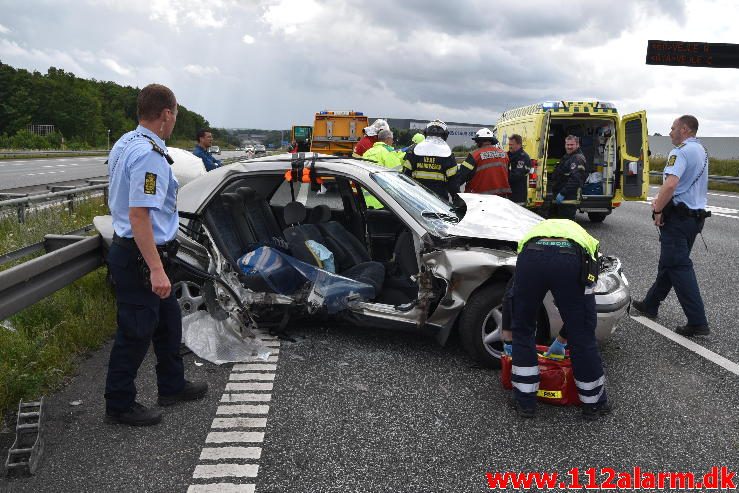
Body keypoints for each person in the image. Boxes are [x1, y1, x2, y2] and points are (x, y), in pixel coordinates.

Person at [105, 84, 207, 426]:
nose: (175, 121)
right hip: (141, 256)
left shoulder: (125, 142)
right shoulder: (150, 154)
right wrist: (156, 269)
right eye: (175, 115)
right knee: (135, 331)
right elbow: (139, 216)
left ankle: (172, 386)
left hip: (141, 252)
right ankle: (119, 405)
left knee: (167, 323)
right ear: (166, 114)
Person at [510, 218, 609, 420]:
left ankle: (525, 402)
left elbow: (512, 293)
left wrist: (508, 328)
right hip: (571, 258)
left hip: (531, 256)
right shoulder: (589, 243)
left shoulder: (532, 233)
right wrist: (565, 337)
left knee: (523, 329)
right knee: (582, 334)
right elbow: (584, 314)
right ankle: (594, 405)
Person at [632, 115, 710, 336]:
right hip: (695, 219)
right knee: (670, 262)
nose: (669, 132)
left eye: (673, 128)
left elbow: (671, 184)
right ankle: (650, 303)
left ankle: (697, 321)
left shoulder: (680, 152)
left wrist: (657, 208)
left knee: (679, 266)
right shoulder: (702, 151)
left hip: (678, 218)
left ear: (684, 130)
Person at [402, 120, 459, 201]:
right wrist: (457, 200)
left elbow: (405, 175)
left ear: (426, 133)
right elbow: (453, 182)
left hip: (416, 199)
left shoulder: (414, 151)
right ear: (445, 135)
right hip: (439, 201)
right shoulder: (448, 154)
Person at [457, 128, 511, 197]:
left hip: (479, 198)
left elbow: (461, 176)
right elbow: (507, 174)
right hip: (501, 197)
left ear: (479, 141)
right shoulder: (505, 155)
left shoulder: (474, 155)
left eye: (476, 141)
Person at [550, 135, 587, 219]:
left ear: (577, 145)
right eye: (567, 144)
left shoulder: (577, 158)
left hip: (568, 198)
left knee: (566, 224)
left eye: (572, 145)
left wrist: (563, 193)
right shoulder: (568, 156)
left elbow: (576, 179)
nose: (569, 147)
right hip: (562, 196)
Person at [507, 134, 531, 205]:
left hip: (518, 196)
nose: (510, 146)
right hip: (508, 194)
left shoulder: (523, 157)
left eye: (512, 144)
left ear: (519, 144)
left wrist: (502, 176)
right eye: (509, 144)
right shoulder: (507, 155)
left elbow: (516, 175)